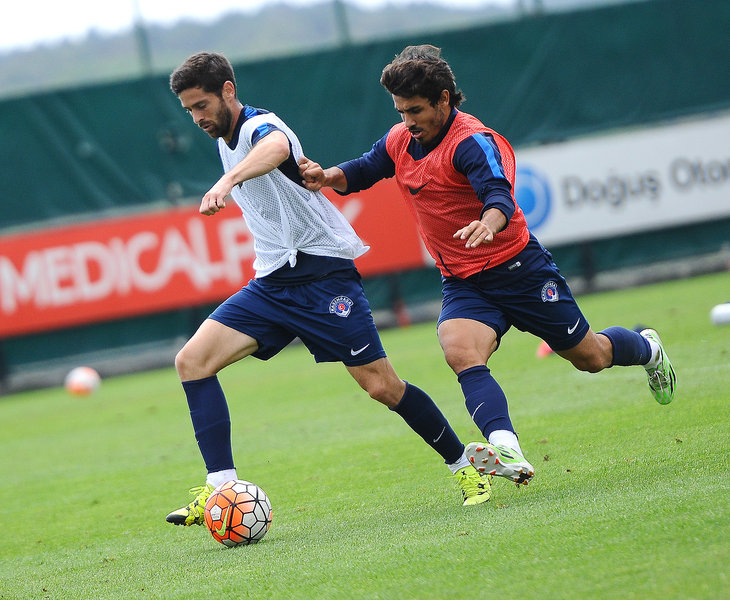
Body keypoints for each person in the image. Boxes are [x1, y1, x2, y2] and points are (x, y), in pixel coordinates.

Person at [299, 44, 676, 487]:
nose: (407, 121)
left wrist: (488, 222)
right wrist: (328, 177)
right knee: (459, 350)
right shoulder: (402, 139)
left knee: (591, 357)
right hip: (464, 281)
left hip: (520, 270)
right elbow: (366, 168)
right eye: (401, 111)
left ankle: (647, 349)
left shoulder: (472, 142)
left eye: (415, 110)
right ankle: (506, 448)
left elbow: (499, 195)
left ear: (443, 99)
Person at [164, 51, 491, 527]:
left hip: (323, 277)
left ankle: (465, 467)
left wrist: (228, 180)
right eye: (189, 110)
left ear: (228, 91)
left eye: (202, 105)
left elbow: (277, 146)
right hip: (273, 282)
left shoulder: (260, 127)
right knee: (191, 362)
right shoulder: (224, 138)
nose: (197, 118)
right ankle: (221, 489)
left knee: (382, 386)